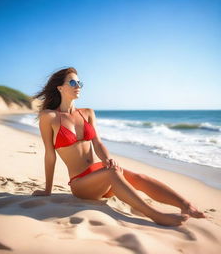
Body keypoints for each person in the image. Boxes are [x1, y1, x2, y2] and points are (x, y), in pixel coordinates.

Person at [32, 67, 206, 226]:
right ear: (60, 88)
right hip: (81, 184)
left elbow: (98, 143)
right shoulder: (49, 117)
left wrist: (107, 159)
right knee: (113, 172)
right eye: (72, 82)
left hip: (100, 173)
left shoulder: (87, 113)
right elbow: (50, 154)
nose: (78, 85)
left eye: (79, 82)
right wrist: (47, 190)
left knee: (137, 177)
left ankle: (186, 205)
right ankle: (155, 215)